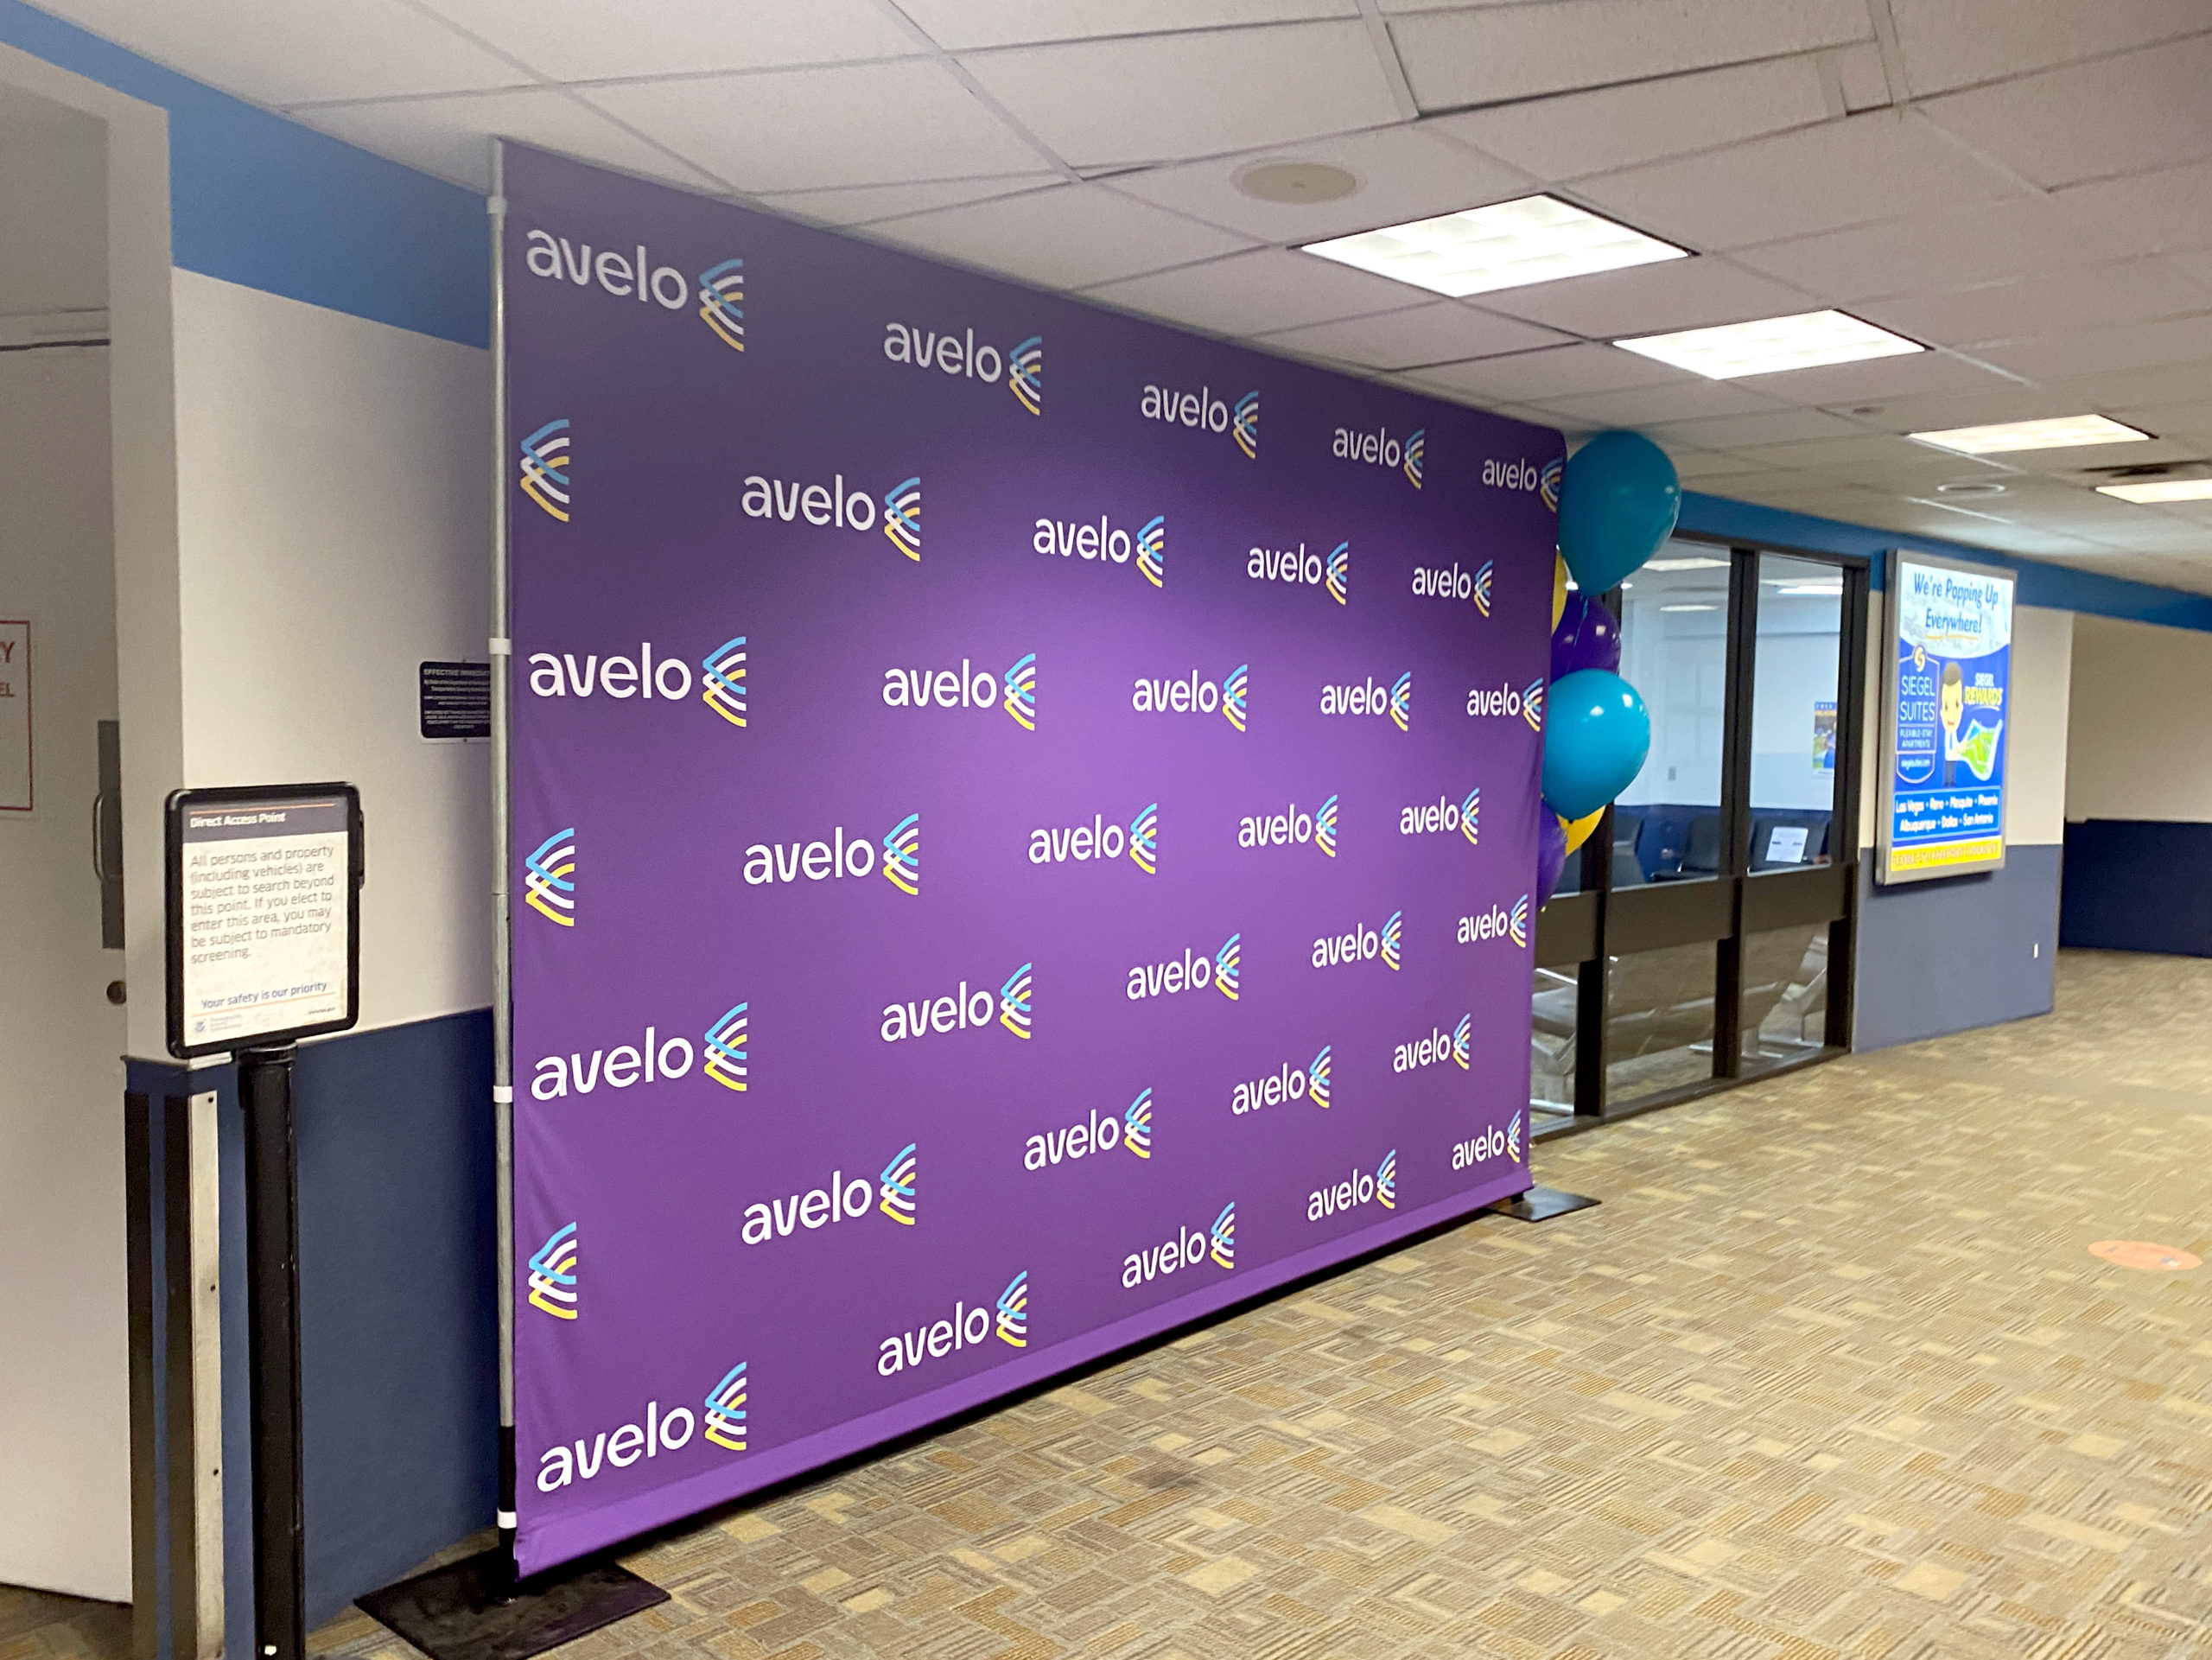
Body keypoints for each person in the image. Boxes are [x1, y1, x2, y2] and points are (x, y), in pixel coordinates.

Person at [1939, 660, 1964, 786]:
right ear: (1940, 711)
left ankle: (1951, 781)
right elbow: (1949, 745)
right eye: (1946, 707)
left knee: (1952, 767)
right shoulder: (1947, 734)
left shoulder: (1953, 734)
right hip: (1949, 755)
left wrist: (1959, 748)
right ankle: (1946, 781)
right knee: (1948, 766)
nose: (1951, 714)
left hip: (1953, 756)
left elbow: (1955, 744)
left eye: (1957, 705)